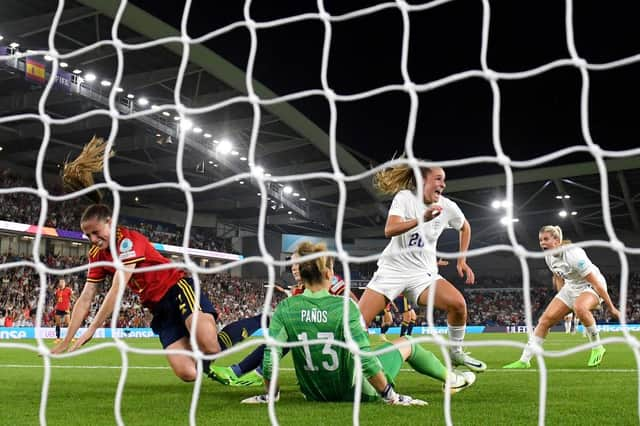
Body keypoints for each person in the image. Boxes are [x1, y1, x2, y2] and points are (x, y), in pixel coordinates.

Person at [242, 241, 476, 404]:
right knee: (407, 342)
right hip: (356, 392)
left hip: (313, 394)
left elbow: (269, 360)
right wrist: (392, 397)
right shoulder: (345, 308)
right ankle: (452, 379)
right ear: (327, 274)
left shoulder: (285, 308)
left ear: (301, 274)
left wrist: (269, 396)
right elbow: (366, 360)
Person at [50, 204, 262, 382]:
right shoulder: (96, 254)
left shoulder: (127, 241)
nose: (93, 239)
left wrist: (93, 328)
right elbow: (86, 296)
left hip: (178, 289)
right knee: (189, 374)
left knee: (211, 346)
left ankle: (260, 321)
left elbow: (117, 288)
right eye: (88, 235)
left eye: (96, 232)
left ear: (110, 222)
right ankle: (200, 351)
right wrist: (67, 339)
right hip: (159, 309)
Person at [357, 165, 486, 372]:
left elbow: (465, 227)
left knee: (458, 305)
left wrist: (461, 260)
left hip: (423, 275)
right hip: (393, 271)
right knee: (358, 322)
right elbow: (389, 230)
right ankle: (355, 367)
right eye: (438, 179)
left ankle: (456, 353)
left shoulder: (448, 206)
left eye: (444, 180)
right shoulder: (405, 198)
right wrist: (421, 219)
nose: (443, 184)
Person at [209, 253, 358, 386]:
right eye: (292, 264)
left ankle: (248, 371)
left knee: (287, 330)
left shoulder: (328, 279)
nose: (293, 268)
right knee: (275, 324)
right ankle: (240, 368)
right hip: (314, 336)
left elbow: (353, 302)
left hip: (333, 335)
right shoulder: (298, 290)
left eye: (297, 263)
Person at [503, 225, 621, 369]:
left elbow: (596, 283)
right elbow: (558, 276)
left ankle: (597, 347)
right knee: (544, 321)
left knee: (580, 307)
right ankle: (524, 360)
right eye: (540, 240)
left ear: (557, 240)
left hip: (590, 286)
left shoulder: (574, 255)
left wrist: (612, 308)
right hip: (570, 287)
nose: (542, 243)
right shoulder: (548, 256)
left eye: (546, 239)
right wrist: (562, 297)